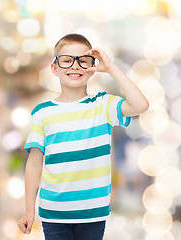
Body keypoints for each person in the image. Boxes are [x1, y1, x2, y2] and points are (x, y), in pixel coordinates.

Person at [18, 33, 149, 240]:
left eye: (83, 61)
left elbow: (140, 105)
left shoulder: (103, 105)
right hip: (54, 212)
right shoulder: (42, 112)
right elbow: (34, 164)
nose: (75, 66)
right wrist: (28, 210)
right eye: (67, 60)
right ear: (54, 68)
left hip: (93, 211)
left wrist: (112, 69)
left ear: (92, 68)